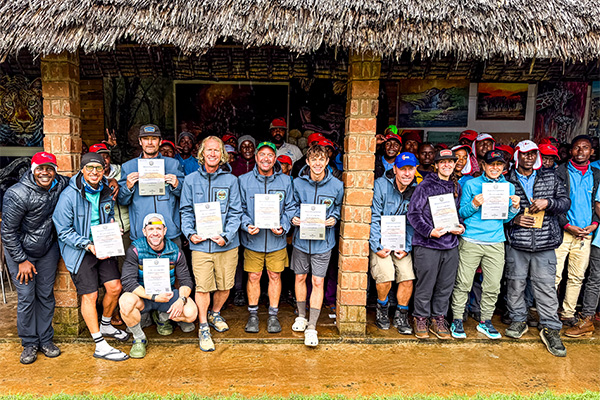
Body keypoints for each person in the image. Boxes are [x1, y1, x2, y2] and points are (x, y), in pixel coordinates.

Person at [53, 152, 130, 361]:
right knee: (90, 295)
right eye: (90, 168)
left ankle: (105, 325)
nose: (94, 172)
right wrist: (87, 244)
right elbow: (63, 230)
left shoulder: (105, 189)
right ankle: (99, 344)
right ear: (82, 170)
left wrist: (112, 226)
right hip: (80, 249)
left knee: (115, 287)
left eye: (98, 168)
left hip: (103, 245)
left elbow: (108, 214)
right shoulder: (70, 195)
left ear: (104, 170)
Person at [1, 152, 68, 364]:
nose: (45, 172)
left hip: (47, 249)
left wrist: (110, 180)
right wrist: (21, 260)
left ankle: (46, 339)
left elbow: (80, 179)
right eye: (40, 168)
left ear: (55, 170)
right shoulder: (17, 194)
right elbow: (7, 232)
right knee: (27, 297)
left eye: (49, 168)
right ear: (32, 169)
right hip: (21, 253)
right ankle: (29, 343)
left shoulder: (60, 185)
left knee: (45, 295)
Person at [505, 140, 570, 357]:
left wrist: (547, 203)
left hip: (545, 243)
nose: (529, 157)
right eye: (524, 154)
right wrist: (514, 220)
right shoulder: (507, 179)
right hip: (518, 242)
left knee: (546, 287)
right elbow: (495, 212)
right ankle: (518, 320)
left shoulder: (550, 176)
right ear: (517, 156)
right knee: (515, 284)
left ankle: (550, 328)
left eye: (533, 153)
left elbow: (565, 202)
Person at [180, 136, 242, 352]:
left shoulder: (231, 181)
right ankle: (204, 326)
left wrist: (226, 235)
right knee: (204, 287)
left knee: (225, 286)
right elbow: (186, 210)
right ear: (202, 153)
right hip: (200, 245)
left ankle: (215, 313)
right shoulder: (190, 181)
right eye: (209, 150)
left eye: (217, 150)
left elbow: (236, 212)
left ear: (222, 154)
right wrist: (190, 233)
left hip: (226, 244)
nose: (213, 154)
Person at [450, 150, 520, 339]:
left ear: (504, 167)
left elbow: (505, 220)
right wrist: (473, 203)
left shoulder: (508, 187)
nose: (495, 168)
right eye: (491, 164)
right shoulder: (472, 184)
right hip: (471, 239)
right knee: (463, 282)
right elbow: (461, 213)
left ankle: (486, 321)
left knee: (492, 285)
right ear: (483, 166)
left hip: (496, 241)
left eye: (499, 165)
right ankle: (457, 319)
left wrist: (514, 208)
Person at [119, 213, 198, 358]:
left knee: (191, 313)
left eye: (158, 229)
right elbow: (128, 281)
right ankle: (139, 338)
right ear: (144, 232)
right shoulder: (135, 250)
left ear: (164, 230)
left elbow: (186, 281)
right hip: (144, 296)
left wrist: (181, 300)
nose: (155, 233)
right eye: (150, 229)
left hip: (167, 295)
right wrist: (154, 297)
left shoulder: (175, 251)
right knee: (125, 302)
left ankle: (163, 316)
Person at [239, 141, 297, 333]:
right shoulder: (244, 180)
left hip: (276, 240)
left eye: (270, 155)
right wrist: (246, 225)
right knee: (254, 276)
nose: (266, 158)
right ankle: (253, 315)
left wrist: (284, 225)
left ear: (275, 159)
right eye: (262, 154)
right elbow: (239, 209)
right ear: (256, 158)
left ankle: (273, 315)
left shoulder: (286, 181)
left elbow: (290, 208)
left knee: (275, 275)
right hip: (253, 240)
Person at [407, 149, 465, 339]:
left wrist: (460, 227)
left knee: (445, 285)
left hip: (450, 244)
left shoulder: (456, 187)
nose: (447, 165)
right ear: (437, 165)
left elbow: (457, 214)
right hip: (428, 244)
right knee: (426, 284)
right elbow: (413, 214)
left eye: (450, 162)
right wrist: (429, 231)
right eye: (443, 162)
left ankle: (438, 317)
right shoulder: (425, 186)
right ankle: (420, 317)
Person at [290, 145, 343, 346]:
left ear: (327, 161)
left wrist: (334, 218)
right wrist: (292, 217)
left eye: (322, 159)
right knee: (300, 277)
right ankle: (301, 316)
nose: (318, 163)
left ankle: (312, 326)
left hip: (323, 242)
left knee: (318, 282)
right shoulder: (297, 183)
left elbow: (338, 207)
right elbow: (291, 204)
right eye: (314, 159)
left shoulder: (337, 186)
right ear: (308, 162)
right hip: (301, 241)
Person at [369, 152, 418, 335]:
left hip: (401, 242)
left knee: (407, 276)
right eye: (403, 169)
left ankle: (401, 314)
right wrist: (377, 245)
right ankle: (382, 309)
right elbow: (374, 217)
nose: (406, 173)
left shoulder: (416, 189)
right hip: (381, 241)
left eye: (410, 169)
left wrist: (406, 247)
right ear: (395, 169)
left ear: (415, 170)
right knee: (385, 276)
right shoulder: (381, 185)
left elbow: (413, 221)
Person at [554, 135, 600, 326]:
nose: (581, 151)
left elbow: (597, 204)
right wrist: (567, 225)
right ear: (570, 151)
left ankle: (568, 313)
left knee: (576, 276)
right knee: (554, 276)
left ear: (592, 152)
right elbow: (554, 203)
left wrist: (594, 224)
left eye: (585, 148)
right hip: (563, 232)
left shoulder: (596, 174)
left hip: (586, 234)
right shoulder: (560, 172)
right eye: (577, 148)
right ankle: (548, 314)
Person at [118, 124, 185, 247]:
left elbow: (185, 196)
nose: (150, 142)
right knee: (142, 267)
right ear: (140, 141)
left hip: (169, 232)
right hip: (141, 233)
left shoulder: (173, 165)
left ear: (160, 142)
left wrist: (177, 185)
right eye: (145, 138)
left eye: (154, 139)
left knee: (173, 266)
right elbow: (122, 201)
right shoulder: (128, 167)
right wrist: (128, 187)